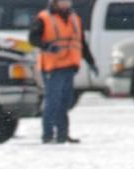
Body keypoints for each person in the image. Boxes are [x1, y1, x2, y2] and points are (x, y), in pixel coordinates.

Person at [29, 0, 98, 144]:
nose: (67, 3)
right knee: (52, 102)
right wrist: (47, 46)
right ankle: (47, 135)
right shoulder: (44, 18)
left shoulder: (75, 18)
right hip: (52, 67)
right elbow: (33, 38)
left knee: (65, 102)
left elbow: (81, 43)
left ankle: (62, 134)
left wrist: (91, 62)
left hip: (69, 66)